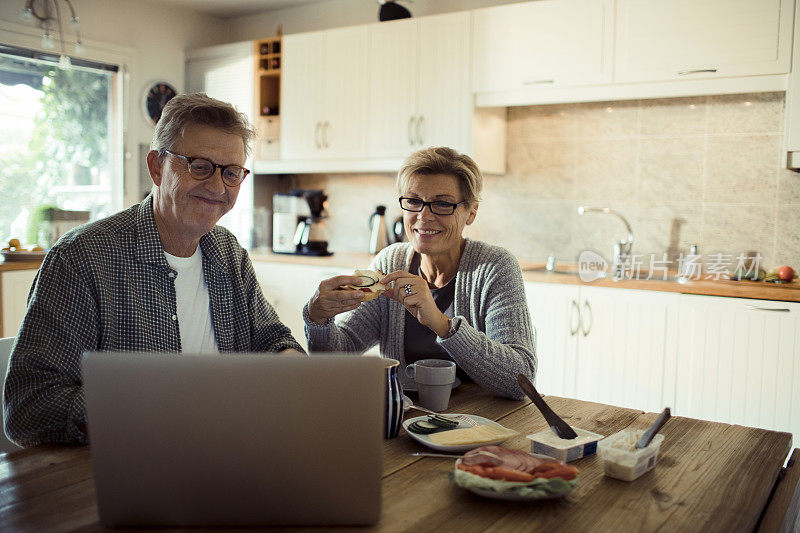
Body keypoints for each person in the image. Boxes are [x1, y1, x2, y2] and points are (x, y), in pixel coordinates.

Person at [4, 93, 303, 447]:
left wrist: (291, 369)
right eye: (200, 166)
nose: (218, 186)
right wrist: (149, 410)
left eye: (232, 173)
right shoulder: (81, 259)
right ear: (157, 167)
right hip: (123, 473)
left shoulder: (228, 254)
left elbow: (272, 340)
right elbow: (28, 406)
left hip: (227, 457)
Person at [304, 147, 536, 399]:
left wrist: (441, 324)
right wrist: (318, 319)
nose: (423, 216)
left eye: (442, 203)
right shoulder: (391, 262)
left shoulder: (495, 267)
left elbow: (520, 381)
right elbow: (338, 354)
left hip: (481, 425)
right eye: (414, 201)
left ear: (471, 212)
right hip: (406, 418)